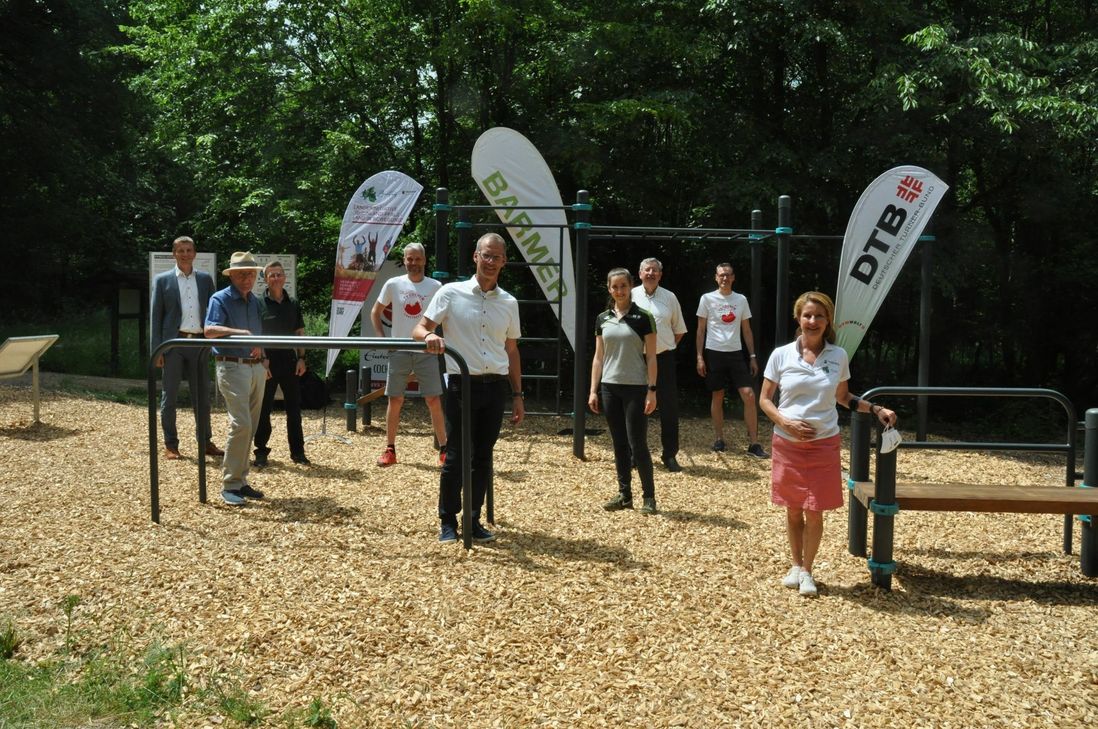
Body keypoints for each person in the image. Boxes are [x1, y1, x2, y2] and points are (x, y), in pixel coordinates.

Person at [759, 291, 897, 596]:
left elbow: (843, 397)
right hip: (788, 443)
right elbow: (765, 400)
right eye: (807, 315)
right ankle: (795, 565)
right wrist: (785, 422)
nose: (812, 321)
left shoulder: (838, 356)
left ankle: (808, 570)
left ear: (828, 321)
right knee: (793, 509)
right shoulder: (781, 354)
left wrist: (875, 409)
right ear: (798, 318)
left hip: (824, 444)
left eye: (819, 316)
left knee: (815, 510)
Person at [412, 233, 524, 544]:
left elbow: (512, 350)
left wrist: (518, 395)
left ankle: (472, 519)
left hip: (495, 387)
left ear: (504, 262)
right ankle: (447, 520)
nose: (490, 262)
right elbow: (418, 328)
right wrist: (429, 337)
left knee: (483, 456)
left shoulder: (509, 302)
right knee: (456, 454)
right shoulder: (451, 293)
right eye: (486, 255)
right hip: (462, 385)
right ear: (475, 256)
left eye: (497, 257)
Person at [370, 243, 446, 467]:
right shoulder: (394, 284)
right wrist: (383, 341)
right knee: (395, 398)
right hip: (400, 349)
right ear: (404, 261)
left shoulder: (436, 286)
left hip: (426, 349)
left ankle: (444, 448)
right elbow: (376, 312)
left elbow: (445, 316)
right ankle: (390, 449)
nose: (413, 263)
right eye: (409, 259)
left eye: (417, 259)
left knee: (433, 399)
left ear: (424, 260)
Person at [590, 268, 659, 514]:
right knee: (619, 444)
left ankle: (649, 498)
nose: (619, 291)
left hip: (636, 388)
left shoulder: (644, 317)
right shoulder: (602, 319)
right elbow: (598, 357)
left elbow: (651, 357)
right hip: (609, 387)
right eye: (615, 287)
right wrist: (593, 390)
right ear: (609, 289)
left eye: (623, 286)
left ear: (630, 287)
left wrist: (652, 390)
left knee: (637, 443)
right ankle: (624, 494)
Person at [150, 235, 223, 461]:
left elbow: (213, 313)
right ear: (174, 253)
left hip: (200, 343)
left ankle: (205, 441)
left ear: (194, 253)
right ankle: (171, 445)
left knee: (202, 396)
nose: (185, 254)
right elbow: (156, 317)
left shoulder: (204, 279)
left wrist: (214, 344)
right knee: (169, 396)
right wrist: (158, 350)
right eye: (180, 250)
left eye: (189, 250)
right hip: (174, 344)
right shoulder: (163, 280)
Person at [204, 252, 269, 506]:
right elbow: (209, 330)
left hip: (254, 367)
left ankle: (241, 481)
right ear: (231, 275)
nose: (247, 278)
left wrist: (261, 353)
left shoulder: (253, 301)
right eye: (242, 274)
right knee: (240, 424)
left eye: (251, 274)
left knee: (249, 426)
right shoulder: (219, 298)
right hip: (232, 366)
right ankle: (230, 484)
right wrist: (238, 332)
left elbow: (257, 335)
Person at [695, 262, 766, 458]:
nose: (724, 278)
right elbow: (700, 330)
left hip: (736, 353)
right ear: (716, 278)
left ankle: (754, 444)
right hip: (714, 352)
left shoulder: (741, 299)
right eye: (721, 275)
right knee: (717, 395)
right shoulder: (707, 299)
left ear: (733, 277)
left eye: (728, 274)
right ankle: (719, 439)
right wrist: (700, 357)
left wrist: (752, 356)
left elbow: (746, 329)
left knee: (749, 395)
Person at [632, 257, 687, 472]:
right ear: (640, 273)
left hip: (663, 359)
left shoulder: (670, 297)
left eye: (655, 270)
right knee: (634, 407)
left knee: (669, 409)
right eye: (647, 270)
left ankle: (669, 455)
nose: (651, 274)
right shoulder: (631, 295)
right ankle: (635, 454)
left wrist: (664, 346)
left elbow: (679, 330)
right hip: (636, 359)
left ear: (660, 275)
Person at [252, 261, 309, 467]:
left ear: (285, 277)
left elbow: (300, 333)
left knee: (294, 409)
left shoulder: (293, 303)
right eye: (271, 275)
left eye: (279, 274)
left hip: (290, 361)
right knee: (263, 408)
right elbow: (256, 334)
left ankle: (298, 452)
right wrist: (262, 360)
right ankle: (260, 451)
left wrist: (302, 358)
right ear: (265, 279)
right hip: (267, 361)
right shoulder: (258, 304)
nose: (276, 278)